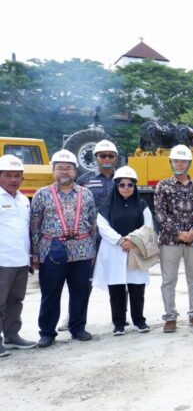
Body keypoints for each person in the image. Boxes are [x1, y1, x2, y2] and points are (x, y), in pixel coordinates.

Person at [30, 150, 97, 347]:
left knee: (80, 291)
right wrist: (35, 253)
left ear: (75, 171)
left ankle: (77, 327)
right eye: (59, 168)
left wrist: (92, 249)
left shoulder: (86, 194)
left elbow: (93, 222)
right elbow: (35, 225)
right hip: (52, 249)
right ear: (53, 171)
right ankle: (47, 332)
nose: (64, 172)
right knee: (51, 292)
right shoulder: (42, 195)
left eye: (68, 168)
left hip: (82, 248)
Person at [60, 139, 118, 332]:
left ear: (116, 158)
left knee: (118, 278)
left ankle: (120, 316)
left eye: (110, 155)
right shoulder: (84, 180)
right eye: (103, 155)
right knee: (83, 281)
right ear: (96, 158)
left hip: (116, 238)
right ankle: (72, 317)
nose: (107, 159)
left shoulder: (123, 178)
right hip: (90, 238)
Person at [93, 166, 153, 335]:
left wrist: (133, 240)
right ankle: (118, 324)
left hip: (135, 250)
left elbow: (147, 226)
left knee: (137, 287)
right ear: (116, 186)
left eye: (130, 185)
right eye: (122, 185)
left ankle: (139, 321)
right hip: (114, 251)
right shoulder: (107, 206)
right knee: (116, 288)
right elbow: (103, 227)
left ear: (135, 187)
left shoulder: (142, 205)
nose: (126, 188)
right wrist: (120, 241)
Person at [154, 144, 193, 333]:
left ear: (189, 163)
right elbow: (160, 213)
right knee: (169, 280)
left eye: (183, 161)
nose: (179, 164)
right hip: (169, 241)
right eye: (176, 160)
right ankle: (170, 317)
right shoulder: (163, 186)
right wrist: (178, 232)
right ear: (171, 162)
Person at [0, 155, 37, 356]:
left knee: (16, 300)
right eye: (8, 175)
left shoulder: (23, 200)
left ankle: (12, 335)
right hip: (2, 260)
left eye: (17, 176)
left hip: (21, 259)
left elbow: (26, 230)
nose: (13, 180)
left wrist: (30, 255)